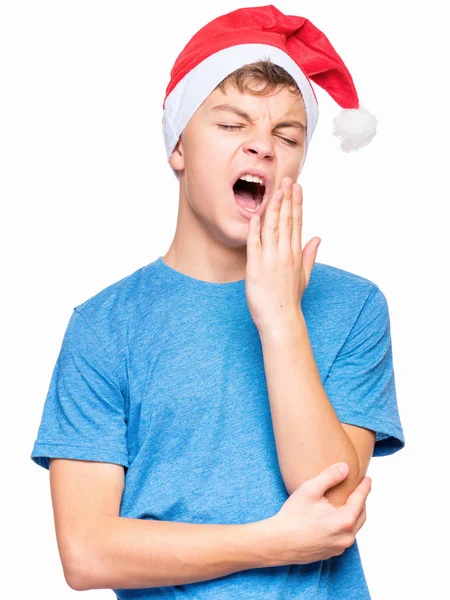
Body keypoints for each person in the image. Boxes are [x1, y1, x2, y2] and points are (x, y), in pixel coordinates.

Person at [30, 5, 405, 598]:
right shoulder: (104, 326)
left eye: (287, 135)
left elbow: (330, 503)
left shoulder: (351, 306)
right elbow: (87, 553)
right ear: (178, 147)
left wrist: (281, 317)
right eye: (232, 126)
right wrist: (274, 541)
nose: (263, 148)